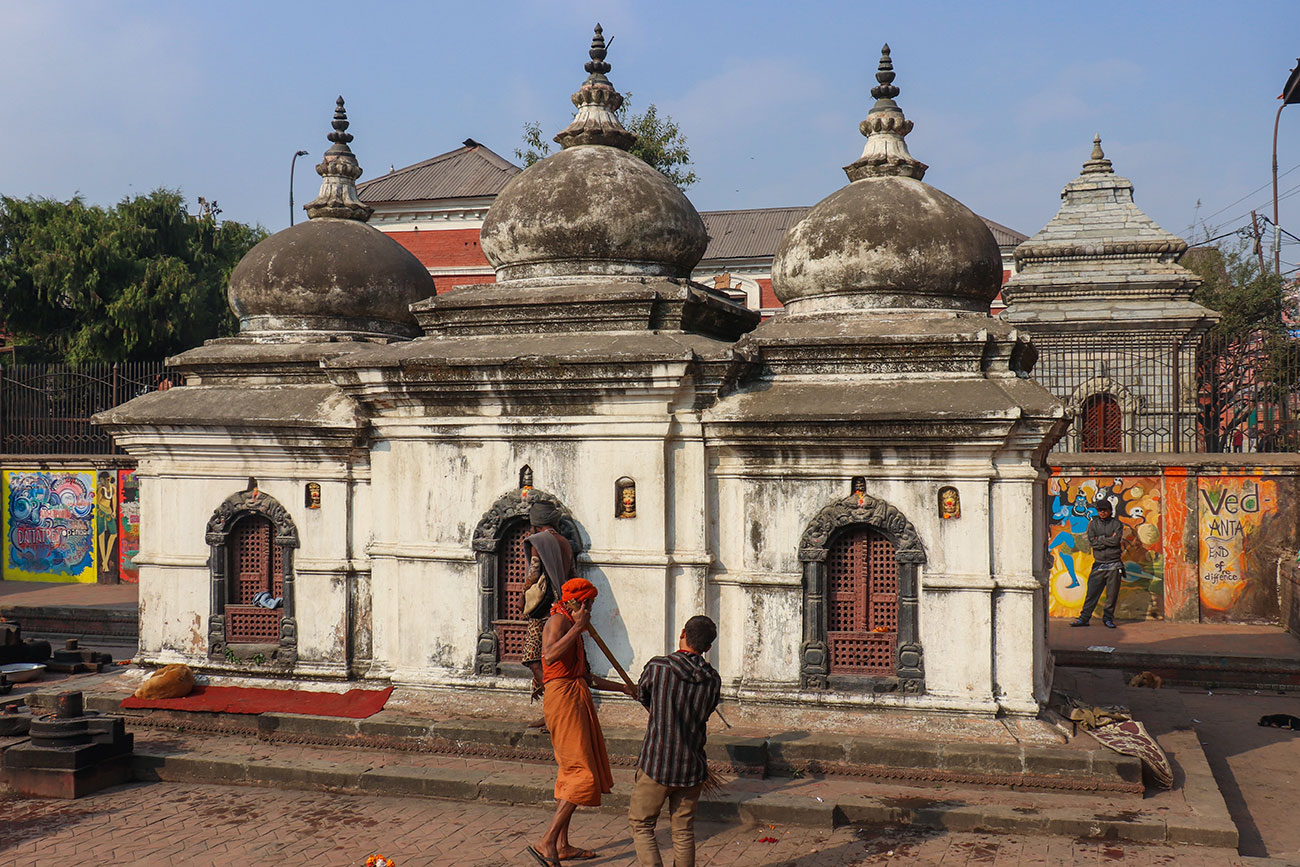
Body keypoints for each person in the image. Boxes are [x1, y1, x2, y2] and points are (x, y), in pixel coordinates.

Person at [527, 577, 636, 867]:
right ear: (580, 602)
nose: (592, 608)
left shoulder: (571, 625)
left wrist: (624, 689)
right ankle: (547, 841)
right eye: (590, 603)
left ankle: (561, 845)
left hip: (576, 694)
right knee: (582, 774)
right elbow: (549, 656)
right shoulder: (558, 623)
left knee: (571, 771)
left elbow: (585, 676)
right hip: (562, 698)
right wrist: (577, 627)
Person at [627, 615, 722, 867]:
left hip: (657, 762)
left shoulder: (658, 667)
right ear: (708, 647)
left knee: (642, 824)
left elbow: (644, 696)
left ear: (682, 633)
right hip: (691, 764)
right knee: (683, 831)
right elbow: (706, 711)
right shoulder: (712, 680)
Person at [520, 501, 577, 727]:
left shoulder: (539, 542)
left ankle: (555, 711)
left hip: (545, 612)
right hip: (565, 609)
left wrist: (524, 597)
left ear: (536, 525)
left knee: (533, 659)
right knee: (559, 661)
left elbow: (534, 574)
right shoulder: (565, 543)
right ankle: (556, 712)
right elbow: (572, 574)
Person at [1070, 500, 1125, 629]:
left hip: (1114, 565)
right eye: (1100, 510)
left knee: (1111, 596)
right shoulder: (1093, 524)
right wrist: (1108, 540)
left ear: (1110, 511)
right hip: (1099, 564)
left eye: (1105, 510)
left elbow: (1116, 540)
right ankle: (1084, 618)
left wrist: (1100, 539)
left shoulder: (1116, 524)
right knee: (1092, 594)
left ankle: (1108, 619)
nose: (1102, 512)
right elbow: (1092, 542)